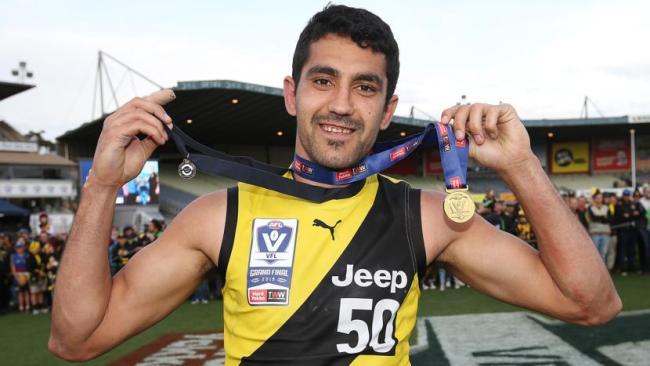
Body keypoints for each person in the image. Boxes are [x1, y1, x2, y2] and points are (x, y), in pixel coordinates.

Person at [49, 5, 621, 363]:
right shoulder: (217, 216)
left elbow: (591, 305)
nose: (342, 105)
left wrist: (522, 167)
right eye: (324, 81)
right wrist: (100, 187)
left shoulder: (429, 215)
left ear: (388, 106)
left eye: (365, 87)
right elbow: (76, 340)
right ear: (292, 93)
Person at [587, 191, 611, 262]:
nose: (599, 199)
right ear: (594, 199)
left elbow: (609, 219)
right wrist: (603, 217)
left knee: (603, 253)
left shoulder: (607, 207)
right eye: (597, 198)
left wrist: (599, 217)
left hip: (605, 233)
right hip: (595, 233)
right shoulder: (590, 208)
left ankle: (603, 272)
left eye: (600, 198)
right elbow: (593, 218)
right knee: (595, 254)